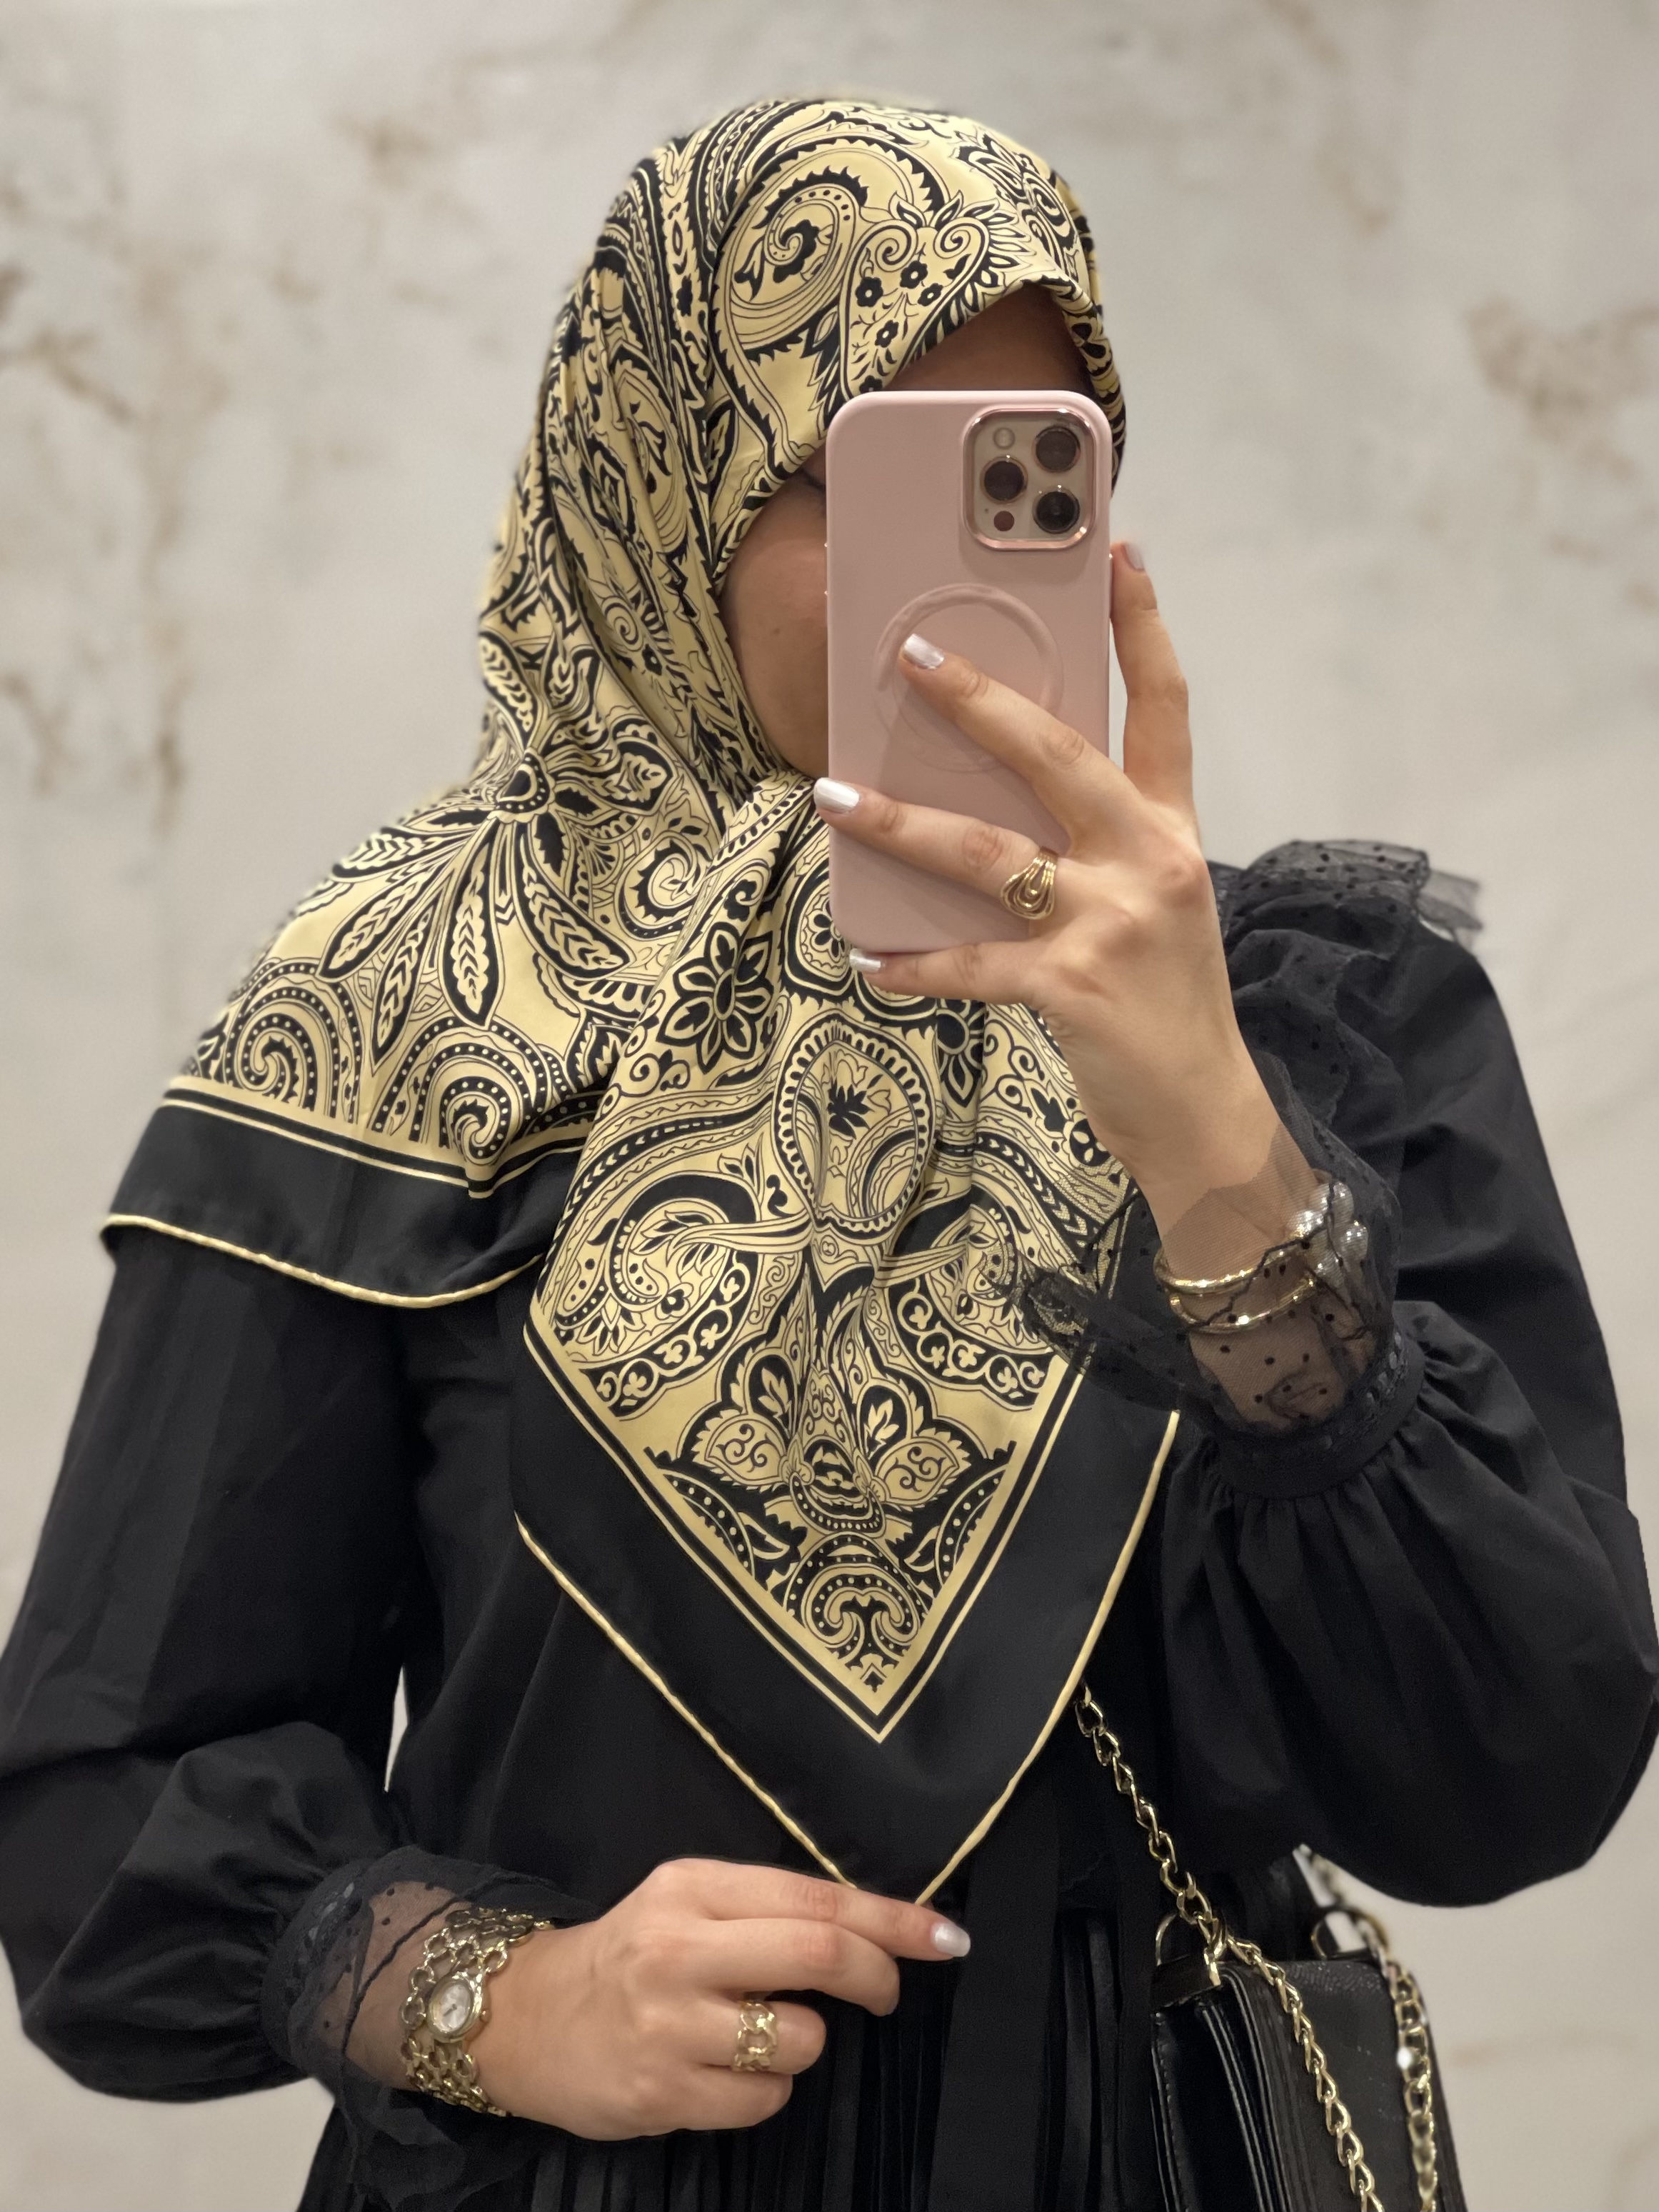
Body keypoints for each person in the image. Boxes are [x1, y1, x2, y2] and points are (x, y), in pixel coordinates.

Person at [0, 96, 1653, 2212]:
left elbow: (1518, 1771)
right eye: (851, 470)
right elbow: (101, 1802)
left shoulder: (1311, 1018)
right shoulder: (400, 1027)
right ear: (657, 478)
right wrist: (505, 1997)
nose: (934, 583)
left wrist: (1211, 1141)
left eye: (1025, 475)